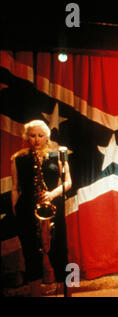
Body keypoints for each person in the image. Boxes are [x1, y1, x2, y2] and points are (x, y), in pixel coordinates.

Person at [10, 120, 72, 297]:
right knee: (31, 253)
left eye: (40, 135)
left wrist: (52, 194)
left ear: (47, 137)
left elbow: (68, 182)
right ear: (26, 137)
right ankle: (35, 292)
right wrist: (15, 209)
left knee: (60, 250)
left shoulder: (58, 156)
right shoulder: (18, 159)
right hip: (27, 209)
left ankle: (67, 290)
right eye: (32, 135)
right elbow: (15, 187)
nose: (36, 139)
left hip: (52, 206)